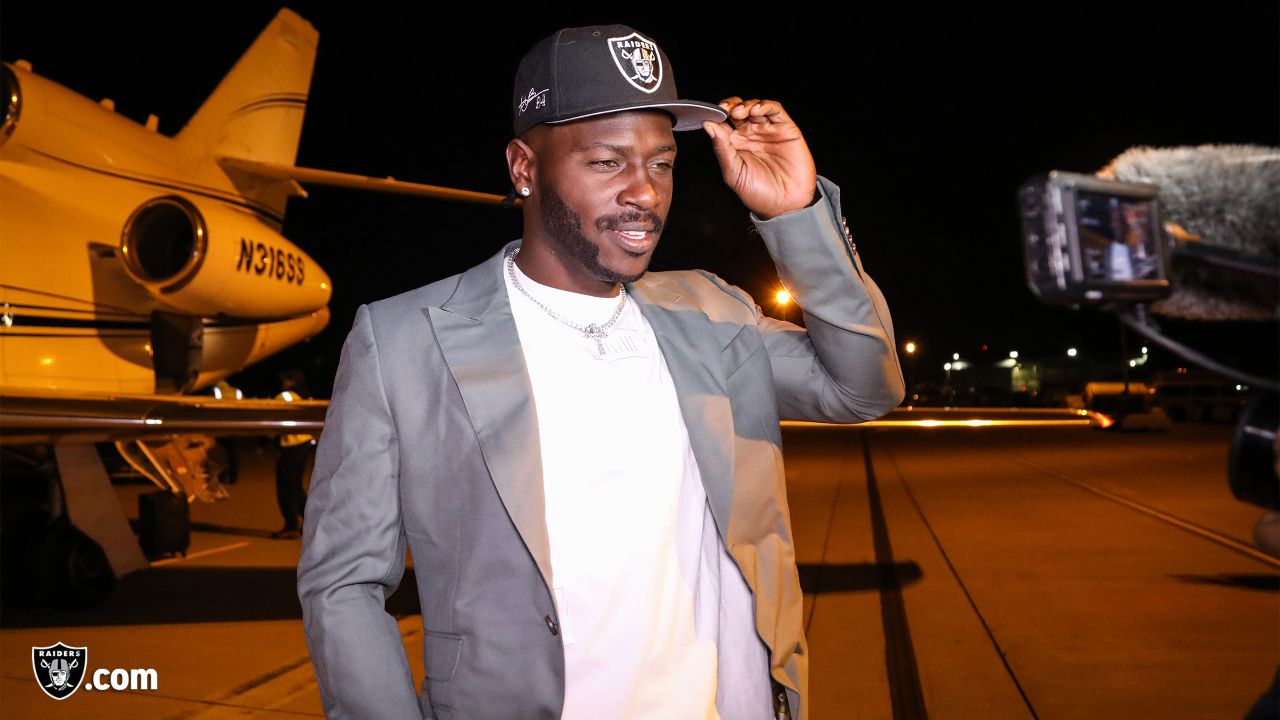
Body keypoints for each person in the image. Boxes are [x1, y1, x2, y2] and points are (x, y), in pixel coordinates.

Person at [298, 24, 904, 720]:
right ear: (524, 168)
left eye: (663, 164)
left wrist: (796, 214)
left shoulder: (711, 313)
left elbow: (866, 386)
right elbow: (342, 584)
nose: (644, 192)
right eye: (607, 163)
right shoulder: (403, 340)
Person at [272, 368, 314, 539]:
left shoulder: (284, 397)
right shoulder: (306, 396)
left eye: (286, 379)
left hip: (290, 445)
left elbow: (273, 420)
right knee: (295, 485)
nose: (283, 383)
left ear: (292, 382)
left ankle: (291, 525)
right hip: (304, 445)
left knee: (286, 487)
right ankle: (311, 520)